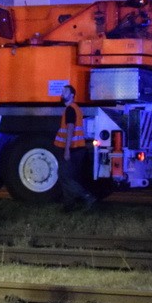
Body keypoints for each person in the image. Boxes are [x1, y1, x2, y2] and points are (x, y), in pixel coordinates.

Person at [54, 84, 96, 212]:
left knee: (64, 176)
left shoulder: (70, 109)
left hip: (72, 150)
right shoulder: (75, 108)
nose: (62, 93)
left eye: (65, 91)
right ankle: (68, 206)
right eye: (62, 91)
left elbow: (70, 129)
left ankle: (87, 197)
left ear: (72, 95)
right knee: (68, 177)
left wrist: (66, 150)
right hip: (78, 149)